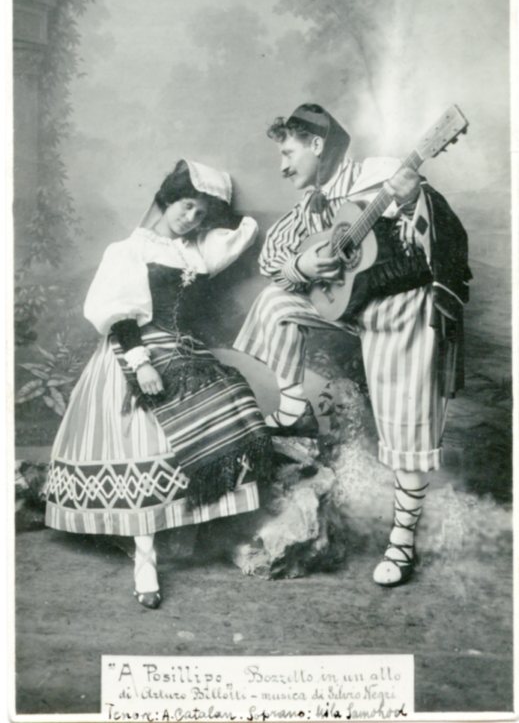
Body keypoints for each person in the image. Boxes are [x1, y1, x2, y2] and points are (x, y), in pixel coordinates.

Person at [234, 103, 471, 587]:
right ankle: (293, 408)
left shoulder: (381, 175)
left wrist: (410, 201)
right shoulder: (313, 204)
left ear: (317, 144)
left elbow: (444, 235)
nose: (282, 166)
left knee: (406, 425)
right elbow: (272, 255)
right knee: (276, 301)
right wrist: (303, 267)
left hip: (399, 307)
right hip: (351, 307)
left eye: (288, 153)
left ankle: (401, 542)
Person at [45, 159, 275, 609]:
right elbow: (119, 315)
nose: (191, 218)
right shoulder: (128, 250)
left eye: (201, 214)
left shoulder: (195, 251)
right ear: (168, 200)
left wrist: (223, 212)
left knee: (235, 399)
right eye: (186, 206)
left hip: (181, 347)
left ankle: (213, 530)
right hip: (135, 349)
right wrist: (140, 363)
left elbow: (236, 238)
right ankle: (145, 559)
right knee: (144, 436)